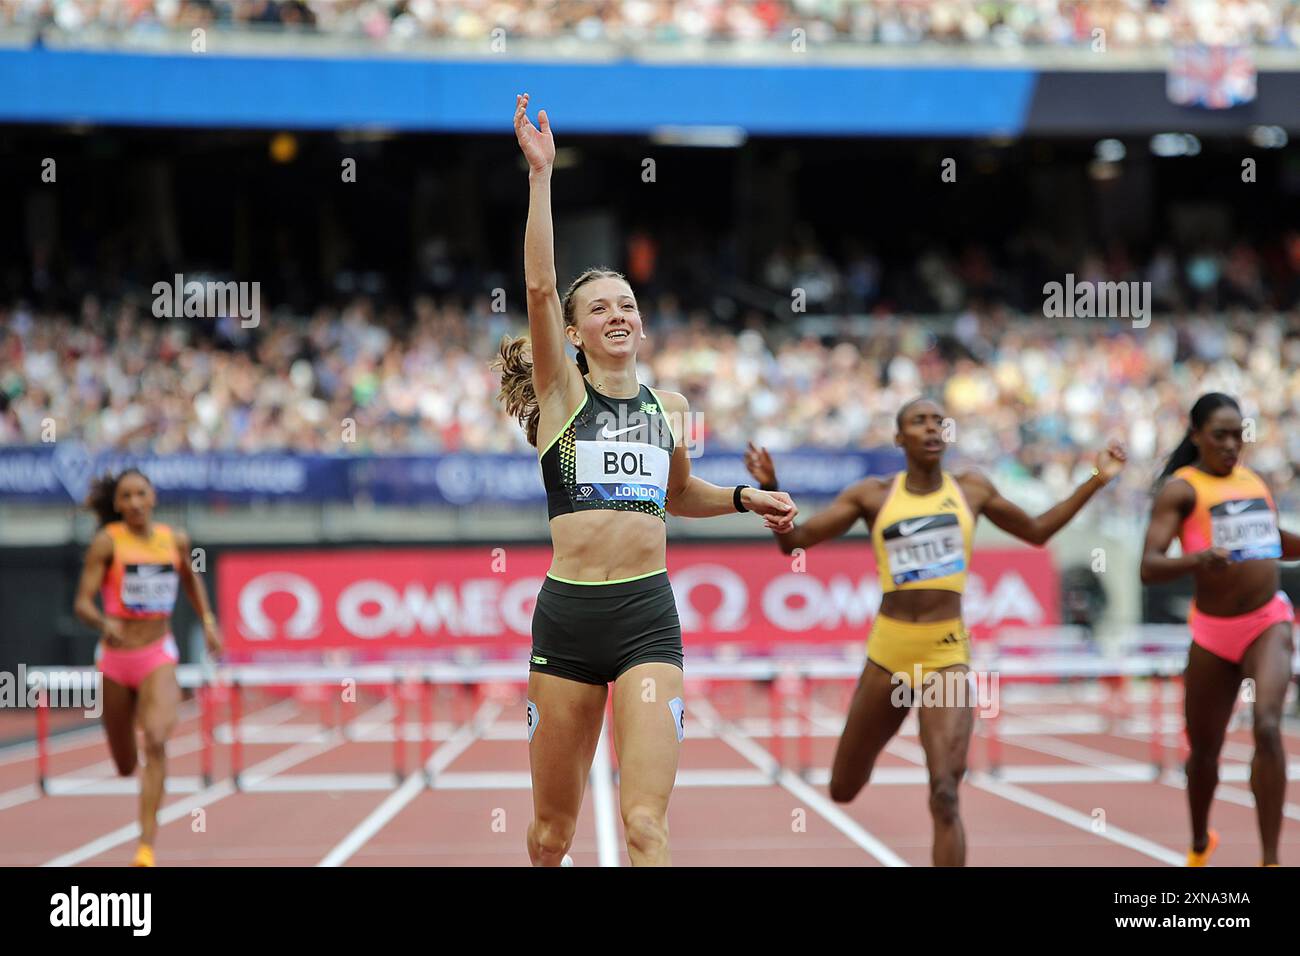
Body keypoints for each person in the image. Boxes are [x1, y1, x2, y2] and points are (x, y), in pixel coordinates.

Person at [493, 93, 798, 867]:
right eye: (600, 308)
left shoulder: (673, 407)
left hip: (646, 621)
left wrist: (740, 497)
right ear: (574, 333)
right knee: (550, 834)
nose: (619, 314)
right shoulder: (565, 395)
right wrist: (540, 179)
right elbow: (536, 288)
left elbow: (677, 495)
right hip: (567, 623)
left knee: (646, 828)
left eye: (627, 303)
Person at [746, 397, 1125, 865]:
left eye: (936, 422)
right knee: (843, 787)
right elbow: (795, 543)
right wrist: (770, 486)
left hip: (946, 654)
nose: (930, 428)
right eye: (917, 422)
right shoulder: (874, 495)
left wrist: (1097, 480)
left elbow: (1038, 530)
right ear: (899, 438)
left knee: (945, 792)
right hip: (889, 653)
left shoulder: (972, 490)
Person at [1140, 392, 1298, 866]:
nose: (1232, 445)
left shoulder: (1254, 482)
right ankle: (1198, 844)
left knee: (1268, 726)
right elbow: (1149, 566)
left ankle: (1270, 860)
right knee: (1204, 754)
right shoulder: (1181, 490)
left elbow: (1275, 541)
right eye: (1220, 436)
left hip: (1268, 620)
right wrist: (1198, 559)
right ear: (1196, 436)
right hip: (1212, 633)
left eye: (1239, 435)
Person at [73, 469, 222, 867]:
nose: (135, 503)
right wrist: (105, 623)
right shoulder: (108, 543)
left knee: (156, 740)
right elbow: (82, 603)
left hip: (157, 654)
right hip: (116, 661)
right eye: (126, 497)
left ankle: (145, 848)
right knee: (125, 765)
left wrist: (207, 621)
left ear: (153, 497)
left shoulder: (175, 540)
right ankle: (130, 769)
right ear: (117, 505)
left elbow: (192, 580)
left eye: (141, 494)